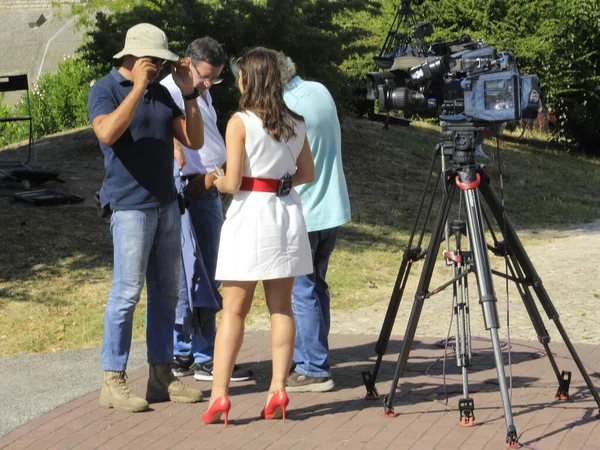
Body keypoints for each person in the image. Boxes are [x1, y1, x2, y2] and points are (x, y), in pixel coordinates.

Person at [88, 23, 204, 412]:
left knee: (167, 293)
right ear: (135, 57)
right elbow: (106, 133)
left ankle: (160, 375)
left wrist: (189, 92)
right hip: (129, 207)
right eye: (154, 61)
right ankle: (113, 380)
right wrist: (137, 86)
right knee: (125, 294)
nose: (159, 67)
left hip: (167, 204)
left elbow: (194, 140)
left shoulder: (162, 93)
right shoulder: (104, 89)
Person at [201, 47, 315, 426]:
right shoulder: (296, 122)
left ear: (249, 79)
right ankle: (278, 388)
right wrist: (280, 180)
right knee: (281, 307)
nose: (236, 80)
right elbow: (307, 173)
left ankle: (219, 395)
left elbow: (232, 182)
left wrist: (212, 179)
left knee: (233, 310)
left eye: (239, 75)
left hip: (250, 215)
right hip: (284, 212)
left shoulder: (239, 122)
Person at [161, 37, 252, 383]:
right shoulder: (171, 90)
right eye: (204, 76)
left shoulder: (200, 92)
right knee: (192, 272)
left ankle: (195, 351)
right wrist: (178, 153)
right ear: (187, 64)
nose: (208, 84)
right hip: (189, 189)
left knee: (208, 270)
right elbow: (166, 130)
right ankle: (195, 354)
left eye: (214, 78)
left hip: (208, 187)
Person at [277, 54, 351, 392]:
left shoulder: (286, 104)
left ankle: (313, 366)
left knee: (300, 289)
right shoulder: (319, 90)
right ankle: (316, 355)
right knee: (317, 285)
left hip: (305, 207)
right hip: (332, 205)